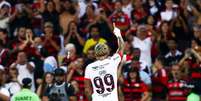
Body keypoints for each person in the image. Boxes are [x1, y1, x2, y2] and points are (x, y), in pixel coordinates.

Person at [84, 23, 125, 101]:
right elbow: (122, 47)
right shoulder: (113, 61)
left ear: (95, 54)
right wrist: (118, 35)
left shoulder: (89, 67)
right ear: (107, 52)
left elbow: (87, 90)